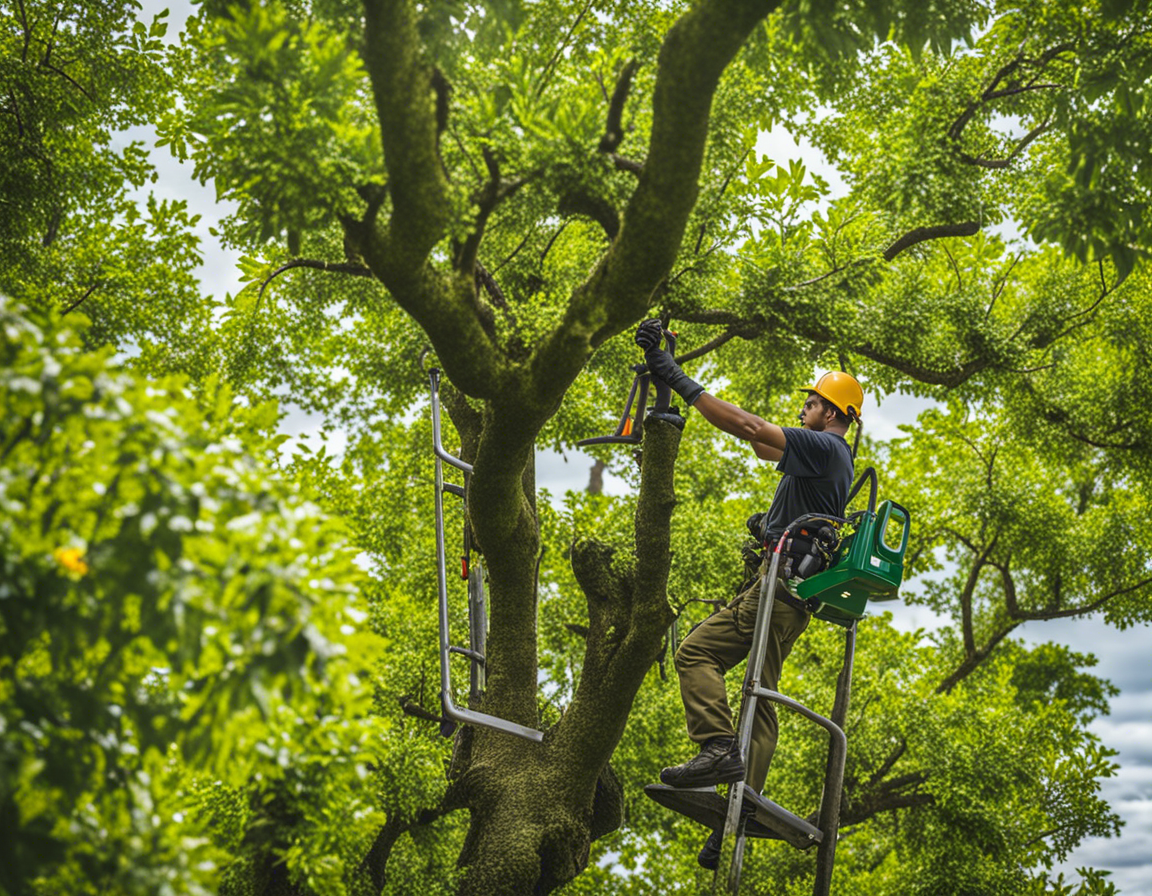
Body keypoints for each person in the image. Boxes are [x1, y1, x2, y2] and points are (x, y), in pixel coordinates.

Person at [634, 319, 863, 869]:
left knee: (695, 652)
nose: (802, 410)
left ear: (828, 413)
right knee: (759, 691)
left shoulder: (825, 449)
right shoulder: (824, 458)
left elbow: (747, 426)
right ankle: (743, 800)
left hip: (777, 590)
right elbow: (763, 447)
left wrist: (678, 379)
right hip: (789, 594)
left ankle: (716, 750)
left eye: (809, 403)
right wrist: (771, 525)